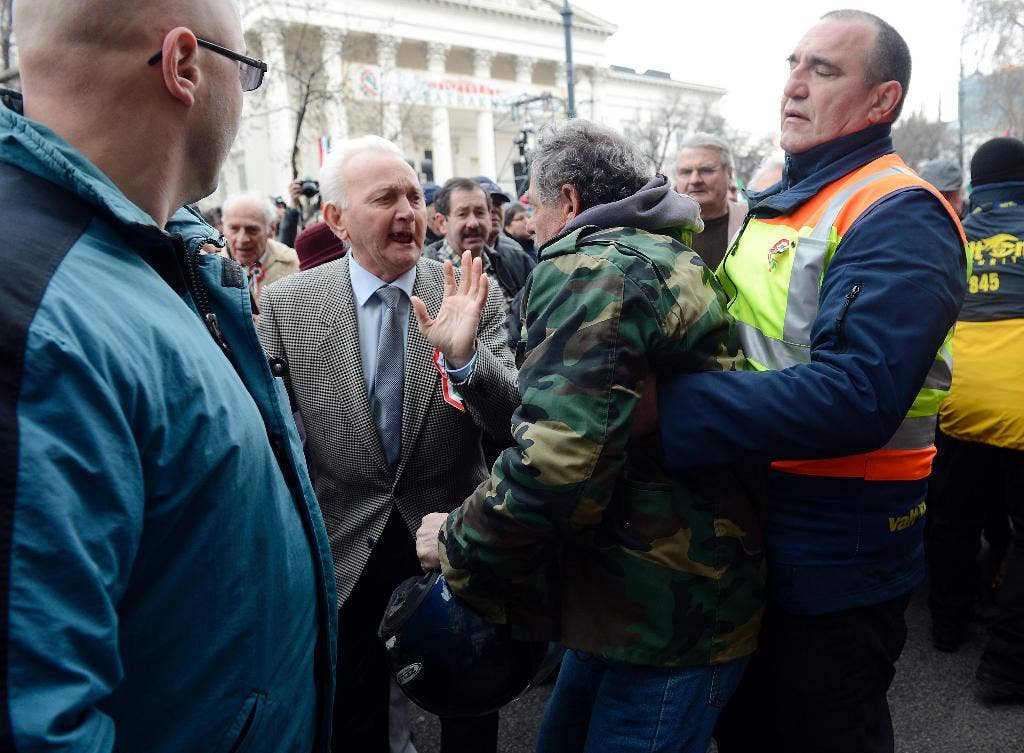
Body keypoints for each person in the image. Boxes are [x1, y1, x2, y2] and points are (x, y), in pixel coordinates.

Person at [1, 1, 336, 751]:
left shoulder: (146, 262)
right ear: (185, 66)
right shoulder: (36, 308)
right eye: (243, 71)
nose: (243, 100)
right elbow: (37, 720)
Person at [655, 11, 968, 752]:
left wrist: (662, 410)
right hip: (758, 527)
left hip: (839, 548)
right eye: (793, 64)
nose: (794, 85)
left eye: (824, 70)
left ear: (881, 101)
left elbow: (859, 393)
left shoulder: (898, 212)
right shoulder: (786, 201)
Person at [415, 119, 765, 753]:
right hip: (636, 597)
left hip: (662, 614)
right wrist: (468, 360)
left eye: (535, 205)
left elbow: (556, 466)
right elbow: (579, 417)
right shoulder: (655, 251)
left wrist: (457, 541)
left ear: (570, 202)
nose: (530, 220)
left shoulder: (594, 265)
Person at [256, 135, 518, 753]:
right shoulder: (290, 305)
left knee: (470, 710)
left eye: (413, 196)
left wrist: (464, 361)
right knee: (354, 721)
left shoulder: (469, 288)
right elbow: (260, 430)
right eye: (384, 198)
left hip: (449, 537)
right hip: (344, 543)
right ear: (336, 219)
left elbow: (512, 424)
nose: (408, 211)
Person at [927, 137, 1024, 703]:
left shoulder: (953, 234)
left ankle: (946, 625)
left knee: (953, 519)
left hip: (959, 400)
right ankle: (1006, 667)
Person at [424, 177, 535, 346]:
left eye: (480, 212)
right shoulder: (425, 277)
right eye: (462, 214)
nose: (473, 223)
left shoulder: (516, 260)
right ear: (441, 223)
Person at [675, 133, 747, 269]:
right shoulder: (659, 228)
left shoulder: (751, 221)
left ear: (730, 174)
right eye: (686, 172)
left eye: (706, 170)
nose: (695, 180)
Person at [222, 191, 301, 302]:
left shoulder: (294, 265)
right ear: (224, 229)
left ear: (272, 229)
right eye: (234, 228)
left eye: (252, 229)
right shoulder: (210, 267)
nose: (242, 239)